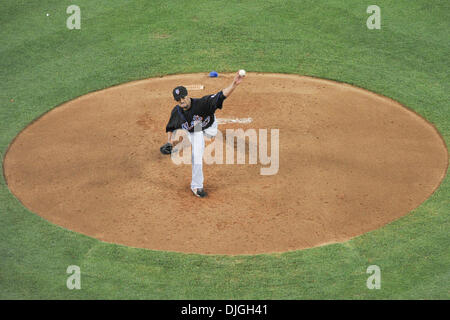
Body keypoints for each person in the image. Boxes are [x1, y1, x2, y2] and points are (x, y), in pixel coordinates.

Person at [161, 71, 245, 198]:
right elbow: (170, 127)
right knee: (197, 154)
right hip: (196, 131)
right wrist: (169, 142)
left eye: (183, 97)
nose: (181, 101)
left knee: (210, 133)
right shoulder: (177, 112)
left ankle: (204, 133)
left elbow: (221, 96)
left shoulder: (202, 103)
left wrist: (234, 84)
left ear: (187, 95)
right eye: (178, 99)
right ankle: (196, 186)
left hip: (210, 126)